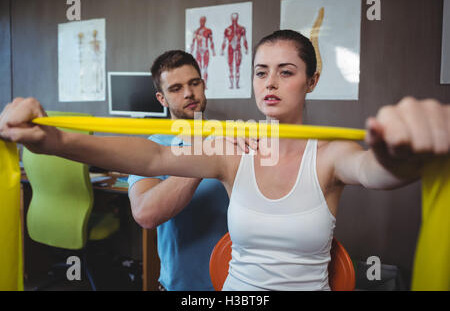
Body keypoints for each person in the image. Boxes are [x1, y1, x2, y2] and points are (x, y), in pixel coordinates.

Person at [1, 30, 449, 291]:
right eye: (260, 71)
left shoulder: (332, 154)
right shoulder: (230, 147)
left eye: (286, 72)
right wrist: (55, 140)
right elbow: (155, 155)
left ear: (311, 81)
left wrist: (405, 154)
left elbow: (376, 171)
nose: (270, 82)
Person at [127, 50, 230, 291]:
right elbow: (146, 214)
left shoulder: (230, 137)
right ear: (161, 99)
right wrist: (204, 156)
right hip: (182, 286)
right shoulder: (153, 147)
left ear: (203, 86)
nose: (188, 93)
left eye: (194, 83)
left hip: (236, 284)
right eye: (175, 88)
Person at [221, 12, 248, 89]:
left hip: (238, 49)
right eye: (233, 19)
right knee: (230, 67)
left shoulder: (241, 29)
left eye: (235, 19)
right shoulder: (227, 29)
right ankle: (232, 85)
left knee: (237, 67)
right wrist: (222, 50)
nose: (234, 21)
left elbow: (244, 40)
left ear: (237, 19)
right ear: (231, 19)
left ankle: (237, 84)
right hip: (230, 49)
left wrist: (246, 48)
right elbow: (224, 41)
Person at [190, 16, 215, 89]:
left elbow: (211, 41)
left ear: (205, 21)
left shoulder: (208, 30)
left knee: (205, 68)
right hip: (198, 51)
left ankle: (205, 84)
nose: (202, 22)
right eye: (201, 21)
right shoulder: (196, 31)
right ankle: (200, 85)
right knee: (199, 68)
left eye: (203, 21)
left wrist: (213, 51)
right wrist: (191, 51)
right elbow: (193, 42)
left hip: (205, 50)